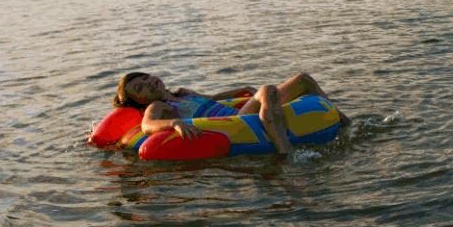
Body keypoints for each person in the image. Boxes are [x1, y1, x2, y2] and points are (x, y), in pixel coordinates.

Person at [113, 71, 334, 155]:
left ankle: (343, 122)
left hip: (236, 112)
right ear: (140, 101)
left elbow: (212, 99)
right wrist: (175, 124)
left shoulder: (182, 92)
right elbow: (147, 125)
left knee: (303, 80)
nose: (148, 83)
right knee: (267, 90)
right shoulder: (159, 106)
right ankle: (284, 150)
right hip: (236, 122)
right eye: (140, 88)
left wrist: (241, 90)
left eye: (146, 78)